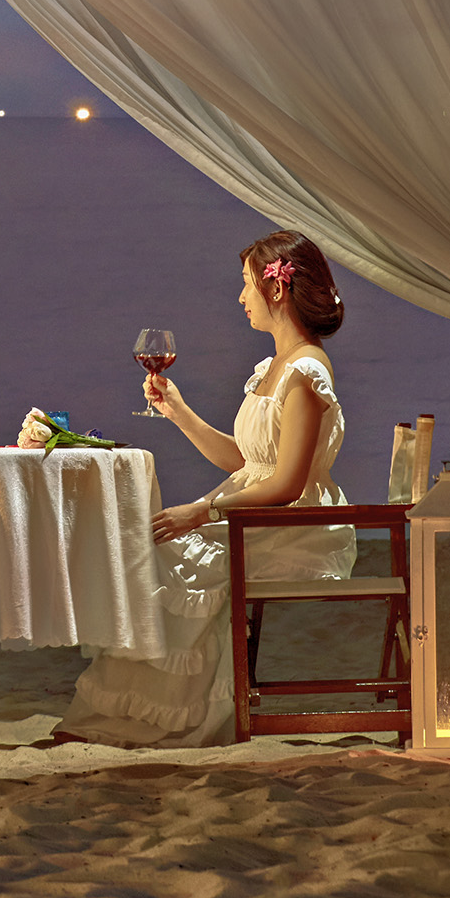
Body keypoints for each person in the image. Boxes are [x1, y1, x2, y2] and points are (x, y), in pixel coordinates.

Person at [62, 227, 357, 747]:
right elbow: (250, 461)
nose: (240, 297)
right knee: (147, 545)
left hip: (289, 526)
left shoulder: (306, 373)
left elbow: (287, 484)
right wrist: (178, 411)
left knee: (165, 555)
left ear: (276, 290)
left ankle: (173, 715)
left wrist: (202, 511)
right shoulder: (273, 367)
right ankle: (151, 711)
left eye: (246, 284)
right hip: (250, 510)